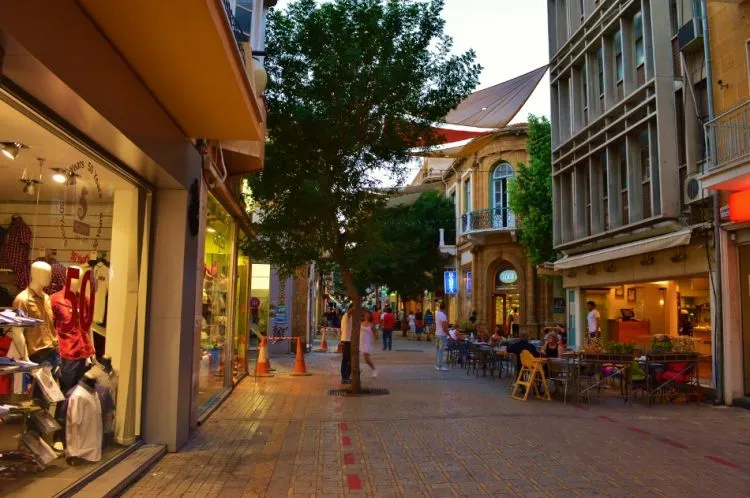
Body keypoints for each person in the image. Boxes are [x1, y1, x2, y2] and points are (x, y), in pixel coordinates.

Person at [360, 310, 378, 378]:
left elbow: (375, 334)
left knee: (367, 359)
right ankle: (356, 370)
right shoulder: (360, 322)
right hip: (359, 342)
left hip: (366, 343)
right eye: (365, 314)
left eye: (368, 314)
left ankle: (374, 369)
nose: (366, 315)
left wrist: (375, 339)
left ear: (370, 316)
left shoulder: (371, 324)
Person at [434, 303, 449, 371]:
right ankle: (440, 365)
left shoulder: (437, 314)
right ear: (444, 308)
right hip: (442, 335)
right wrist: (448, 333)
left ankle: (437, 365)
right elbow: (444, 327)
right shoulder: (443, 315)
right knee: (441, 350)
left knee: (438, 350)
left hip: (437, 334)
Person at [340, 308, 353, 384]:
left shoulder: (352, 317)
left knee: (349, 360)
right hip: (346, 340)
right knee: (345, 359)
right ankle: (344, 377)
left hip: (349, 341)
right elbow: (349, 312)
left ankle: (347, 376)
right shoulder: (346, 316)